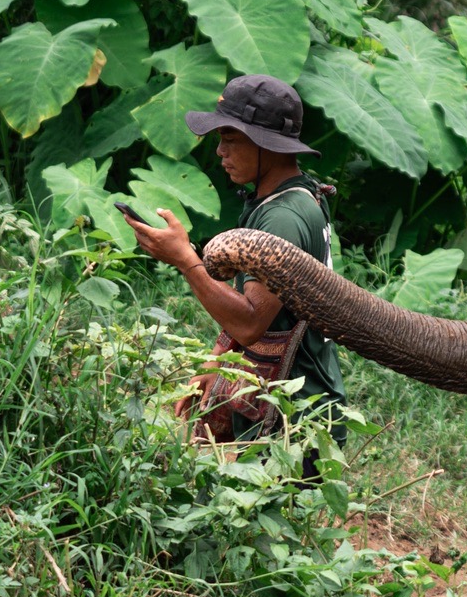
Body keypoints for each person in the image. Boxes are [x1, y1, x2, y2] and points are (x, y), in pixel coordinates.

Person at [126, 74, 346, 442]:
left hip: (295, 420)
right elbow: (257, 302)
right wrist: (216, 361)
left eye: (230, 140)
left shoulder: (282, 218)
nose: (219, 152)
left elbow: (250, 323)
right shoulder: (293, 193)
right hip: (291, 403)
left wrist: (185, 260)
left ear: (267, 145)